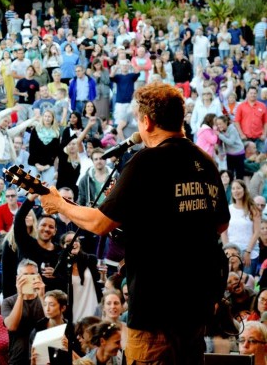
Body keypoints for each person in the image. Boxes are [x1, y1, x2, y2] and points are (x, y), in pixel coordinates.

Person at [39, 82, 230, 364]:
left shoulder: (146, 161)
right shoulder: (206, 162)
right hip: (194, 313)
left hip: (154, 313)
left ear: (147, 121)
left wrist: (59, 204)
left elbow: (101, 223)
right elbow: (220, 224)